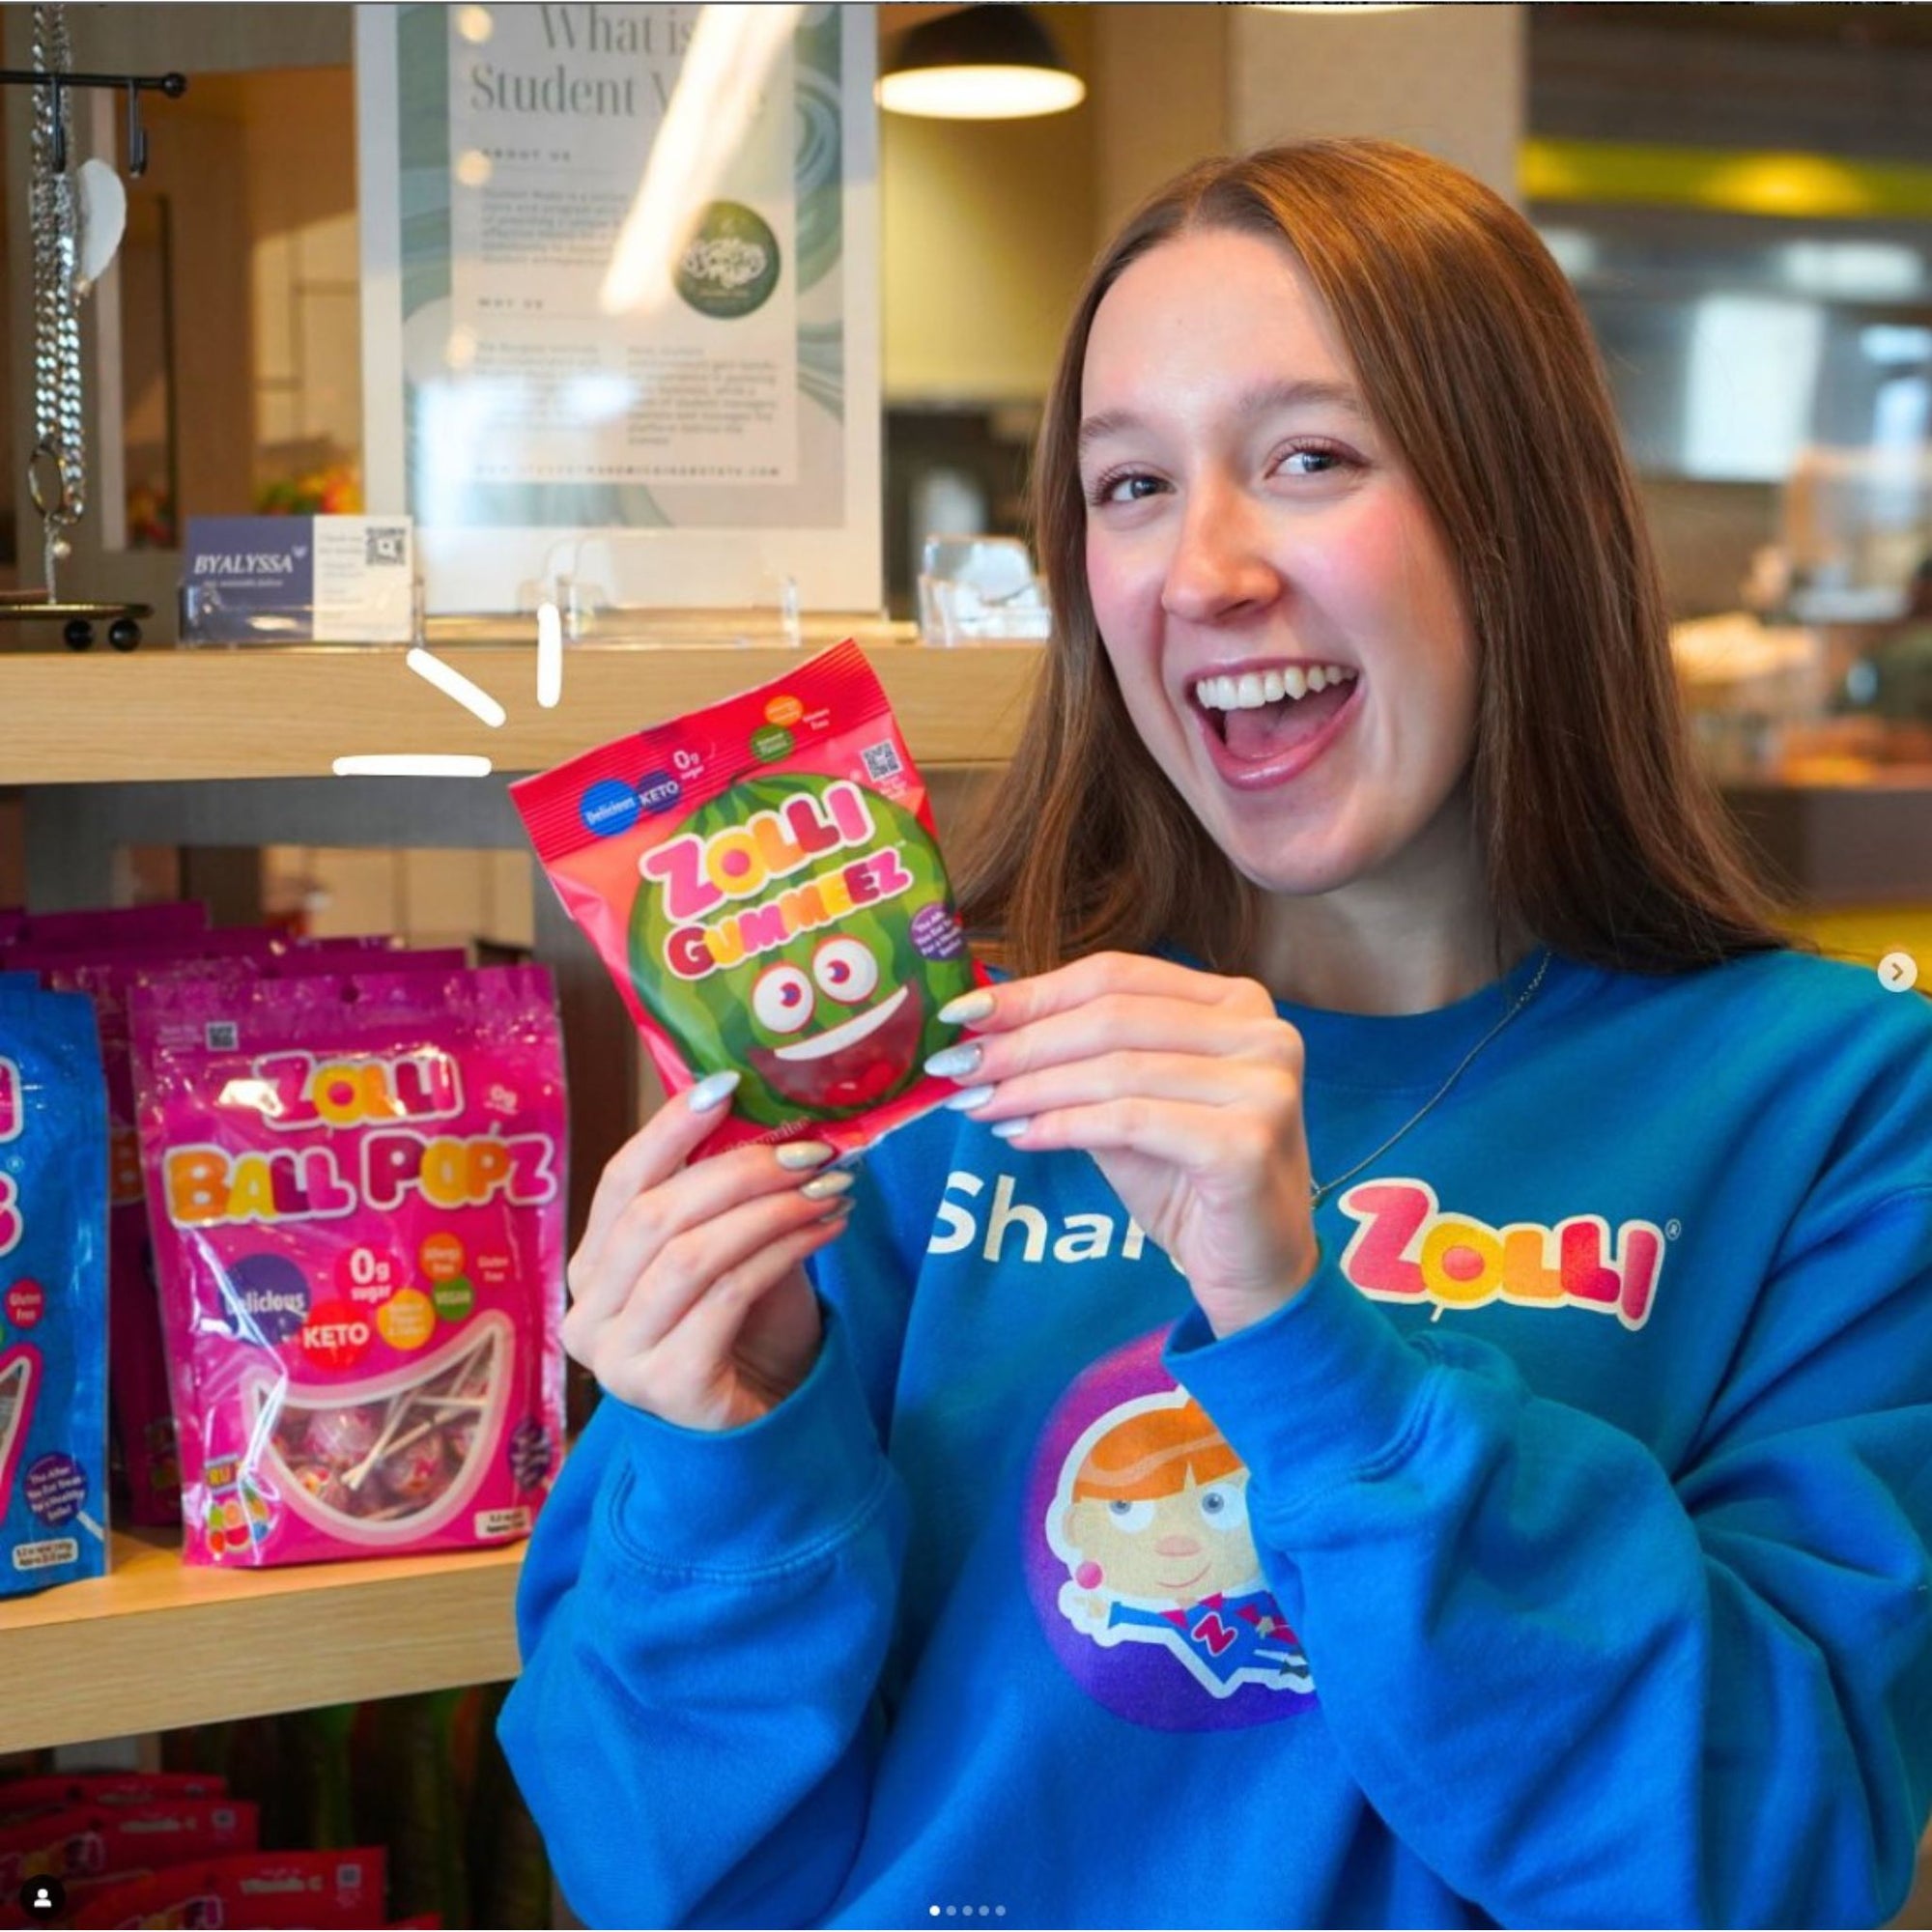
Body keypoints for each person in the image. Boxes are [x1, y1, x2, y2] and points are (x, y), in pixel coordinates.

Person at [499, 139, 1932, 1929]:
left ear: (1527, 513)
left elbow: (1755, 1870)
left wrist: (1303, 1334)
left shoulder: (1832, 1111)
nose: (1206, 570)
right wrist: (725, 1444)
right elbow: (658, 1877)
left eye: (1310, 460)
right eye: (1129, 487)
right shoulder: (930, 1095)